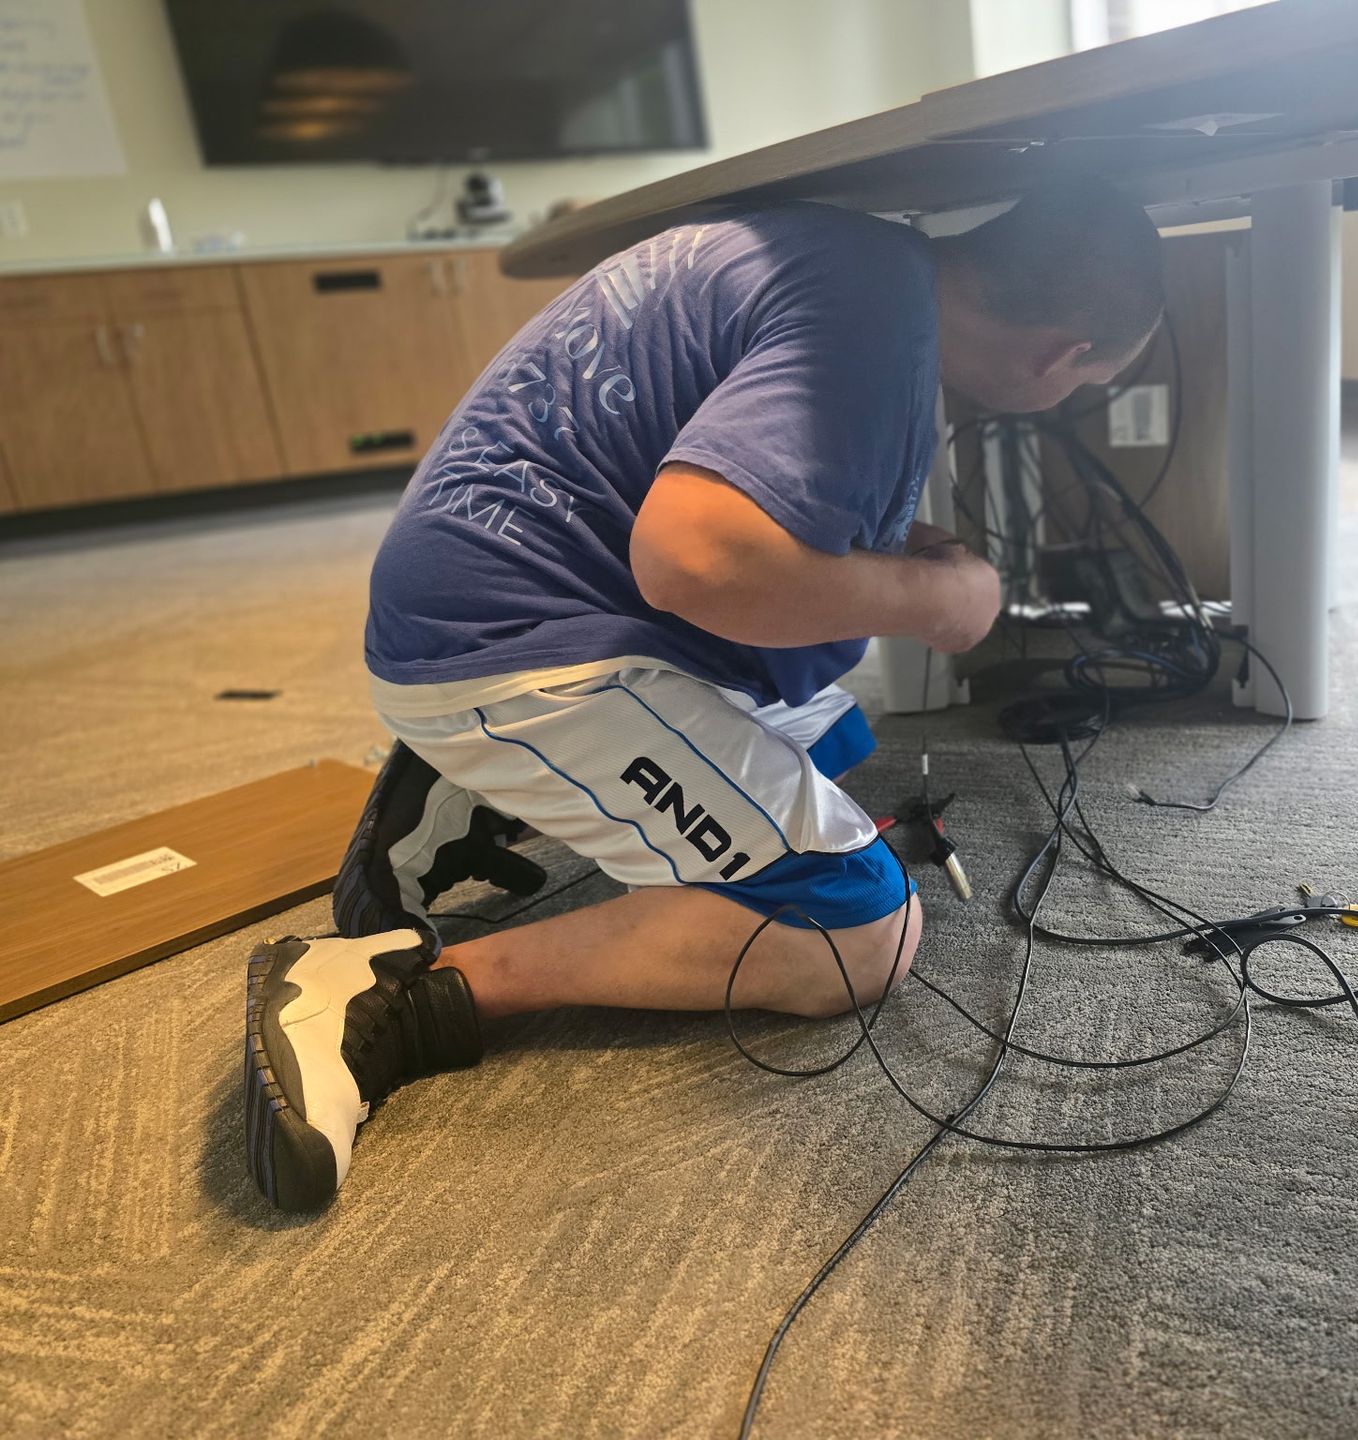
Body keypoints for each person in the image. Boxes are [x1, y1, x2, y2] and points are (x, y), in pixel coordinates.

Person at [242, 182, 1165, 1211]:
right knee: (857, 931)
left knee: (830, 723)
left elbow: (704, 476)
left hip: (474, 584)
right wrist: (942, 598)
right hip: (501, 643)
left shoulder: (857, 256)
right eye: (1093, 384)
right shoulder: (875, 343)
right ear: (1062, 359)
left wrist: (884, 550)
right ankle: (383, 993)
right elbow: (694, 557)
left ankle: (477, 779)